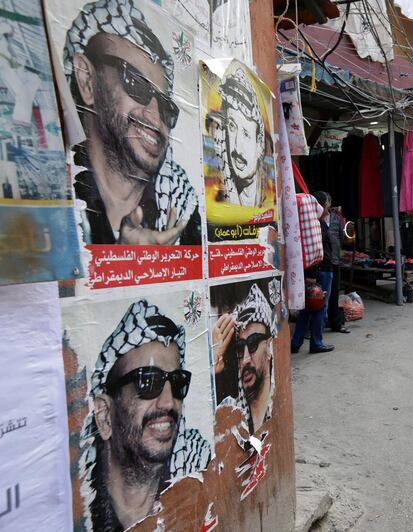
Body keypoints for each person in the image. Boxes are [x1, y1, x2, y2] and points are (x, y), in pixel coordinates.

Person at [65, 0, 200, 245]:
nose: (156, 116)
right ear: (87, 80)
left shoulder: (184, 213)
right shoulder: (59, 202)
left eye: (166, 106)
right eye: (136, 83)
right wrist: (125, 257)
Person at [79, 300, 211, 530]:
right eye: (148, 381)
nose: (169, 402)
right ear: (104, 416)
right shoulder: (82, 514)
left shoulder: (199, 472)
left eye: (178, 382)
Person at [212, 282, 279, 432]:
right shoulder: (233, 417)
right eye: (241, 347)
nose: (246, 359)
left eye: (253, 343)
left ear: (268, 346)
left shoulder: (276, 408)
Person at [217, 67, 272, 207]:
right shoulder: (223, 195)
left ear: (259, 144)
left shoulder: (267, 196)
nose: (237, 147)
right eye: (232, 127)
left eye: (246, 134)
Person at [291, 191, 335, 354]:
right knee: (319, 306)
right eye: (327, 205)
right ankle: (316, 342)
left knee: (307, 307)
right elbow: (315, 249)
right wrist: (312, 275)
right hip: (321, 271)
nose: (328, 208)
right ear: (321, 205)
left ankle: (296, 343)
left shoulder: (314, 222)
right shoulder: (317, 224)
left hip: (316, 271)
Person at [327, 205, 350, 334]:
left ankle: (335, 324)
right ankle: (310, 328)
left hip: (334, 260)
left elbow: (342, 236)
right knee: (317, 296)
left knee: (334, 293)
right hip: (321, 262)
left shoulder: (335, 218)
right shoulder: (316, 219)